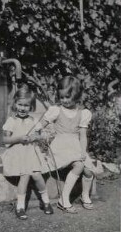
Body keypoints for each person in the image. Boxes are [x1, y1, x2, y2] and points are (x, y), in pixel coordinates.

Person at [35, 76, 95, 213]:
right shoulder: (56, 110)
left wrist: (83, 152)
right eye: (62, 97)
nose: (64, 101)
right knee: (79, 165)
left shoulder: (83, 113)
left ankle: (85, 196)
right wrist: (36, 130)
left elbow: (83, 135)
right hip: (60, 147)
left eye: (68, 97)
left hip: (75, 146)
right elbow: (41, 124)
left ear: (77, 96)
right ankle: (64, 200)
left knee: (88, 170)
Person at [1, 85, 54, 220]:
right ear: (15, 104)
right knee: (25, 175)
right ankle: (20, 206)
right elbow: (5, 140)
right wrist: (19, 138)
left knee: (36, 175)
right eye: (20, 104)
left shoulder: (33, 121)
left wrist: (36, 137)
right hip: (17, 154)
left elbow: (42, 135)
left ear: (30, 107)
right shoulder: (11, 120)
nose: (23, 108)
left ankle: (46, 202)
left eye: (26, 106)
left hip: (31, 153)